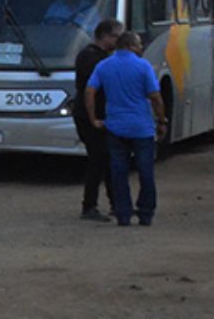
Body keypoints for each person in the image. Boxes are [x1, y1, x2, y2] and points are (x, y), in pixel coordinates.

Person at [86, 31, 167, 227]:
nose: (141, 48)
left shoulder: (104, 65)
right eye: (139, 45)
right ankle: (146, 213)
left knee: (118, 173)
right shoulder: (143, 66)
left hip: (115, 127)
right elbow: (155, 96)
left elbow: (89, 91)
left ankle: (123, 214)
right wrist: (161, 120)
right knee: (145, 172)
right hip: (142, 127)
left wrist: (94, 119)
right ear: (131, 46)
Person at [71, 20, 122, 220]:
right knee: (98, 159)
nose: (119, 41)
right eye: (116, 36)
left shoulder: (103, 57)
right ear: (105, 36)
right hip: (89, 117)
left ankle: (115, 203)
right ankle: (89, 205)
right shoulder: (89, 57)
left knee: (107, 159)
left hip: (101, 115)